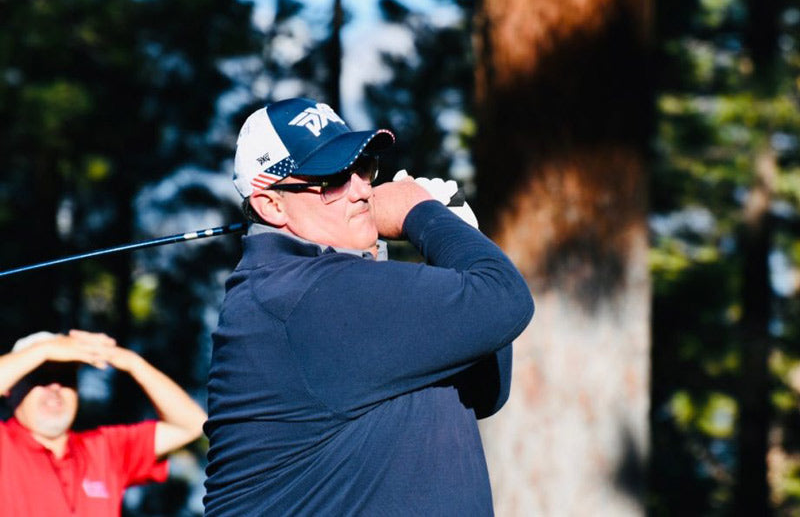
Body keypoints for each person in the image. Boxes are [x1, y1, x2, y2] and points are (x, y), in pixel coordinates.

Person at [203, 97, 534, 515]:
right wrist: (421, 212)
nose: (362, 190)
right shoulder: (298, 297)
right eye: (333, 179)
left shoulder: (327, 286)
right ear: (272, 203)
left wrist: (455, 241)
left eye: (363, 167)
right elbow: (504, 298)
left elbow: (485, 389)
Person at [0, 329, 207, 516]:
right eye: (40, 378)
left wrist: (130, 361)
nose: (55, 388)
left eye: (65, 378)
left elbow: (190, 424)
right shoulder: (5, 445)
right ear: (9, 389)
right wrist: (44, 350)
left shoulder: (103, 449)